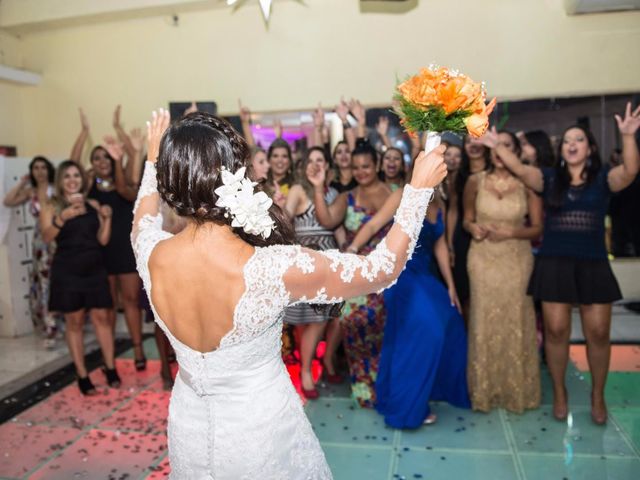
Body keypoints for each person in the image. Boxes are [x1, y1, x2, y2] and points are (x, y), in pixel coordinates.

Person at [133, 109, 446, 478]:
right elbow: (382, 268)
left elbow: (143, 214)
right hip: (261, 433)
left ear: (171, 182)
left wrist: (153, 160)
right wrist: (418, 191)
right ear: (239, 176)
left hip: (189, 427)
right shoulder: (274, 267)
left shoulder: (150, 252)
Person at [493, 102, 640, 424]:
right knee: (557, 331)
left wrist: (628, 136)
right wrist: (496, 146)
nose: (572, 144)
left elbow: (630, 171)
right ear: (562, 150)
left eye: (579, 140)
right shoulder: (547, 178)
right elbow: (519, 169)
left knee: (599, 332)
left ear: (590, 148)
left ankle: (597, 397)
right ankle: (560, 392)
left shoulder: (604, 178)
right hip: (554, 263)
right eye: (568, 140)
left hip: (593, 264)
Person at [347, 182, 470, 428]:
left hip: (423, 276)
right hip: (401, 275)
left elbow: (440, 246)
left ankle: (435, 389)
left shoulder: (440, 203)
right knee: (427, 332)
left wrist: (451, 286)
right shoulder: (404, 194)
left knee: (453, 322)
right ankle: (408, 405)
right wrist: (352, 248)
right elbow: (374, 224)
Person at [464, 130, 543, 413]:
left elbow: (537, 227)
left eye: (506, 146)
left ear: (516, 152)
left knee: (515, 318)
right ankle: (484, 390)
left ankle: (516, 389)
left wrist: (511, 232)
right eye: (496, 147)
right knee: (483, 319)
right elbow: (466, 219)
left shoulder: (528, 185)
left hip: (516, 259)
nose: (499, 151)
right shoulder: (475, 181)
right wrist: (474, 228)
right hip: (482, 259)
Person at [312, 141, 393, 407]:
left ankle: (389, 386)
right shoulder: (347, 197)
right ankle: (363, 388)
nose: (361, 172)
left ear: (377, 165)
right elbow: (326, 220)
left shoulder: (394, 193)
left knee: (388, 332)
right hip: (356, 277)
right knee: (355, 329)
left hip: (388, 275)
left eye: (366, 166)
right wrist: (317, 186)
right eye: (356, 167)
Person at [40, 160, 120, 395]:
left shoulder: (93, 203)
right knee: (74, 323)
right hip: (68, 271)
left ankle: (110, 366)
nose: (72, 179)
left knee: (103, 319)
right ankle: (82, 374)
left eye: (76, 175)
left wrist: (107, 219)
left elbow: (103, 240)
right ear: (60, 181)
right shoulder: (51, 206)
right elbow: (46, 237)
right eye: (67, 176)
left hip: (95, 268)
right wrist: (62, 217)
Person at [283, 147, 340, 398]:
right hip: (303, 260)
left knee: (319, 320)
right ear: (304, 166)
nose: (315, 165)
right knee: (303, 321)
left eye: (320, 160)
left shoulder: (336, 194)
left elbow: (332, 225)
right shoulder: (296, 190)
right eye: (311, 161)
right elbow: (284, 220)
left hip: (326, 262)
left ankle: (306, 371)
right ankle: (305, 366)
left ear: (327, 165)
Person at [3, 156, 60, 347]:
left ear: (49, 169)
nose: (40, 171)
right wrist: (22, 182)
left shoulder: (56, 189)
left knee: (59, 281)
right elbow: (8, 200)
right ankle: (49, 326)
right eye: (36, 167)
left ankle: (63, 322)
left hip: (58, 238)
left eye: (43, 167)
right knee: (43, 283)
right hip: (39, 243)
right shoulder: (31, 192)